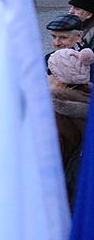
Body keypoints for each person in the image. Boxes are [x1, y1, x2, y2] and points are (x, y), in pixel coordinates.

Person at [47, 48, 93, 208]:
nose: (48, 77)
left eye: (51, 73)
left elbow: (53, 158)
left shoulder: (56, 111)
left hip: (64, 192)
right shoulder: (88, 101)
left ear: (61, 80)